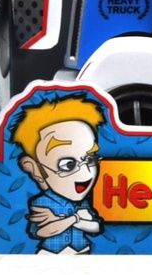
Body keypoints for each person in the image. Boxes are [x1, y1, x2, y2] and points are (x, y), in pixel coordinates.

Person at [11, 95, 106, 254]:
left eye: (90, 159)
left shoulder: (82, 203)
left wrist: (68, 221)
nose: (86, 172)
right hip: (51, 254)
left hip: (84, 252)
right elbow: (43, 231)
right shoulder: (42, 202)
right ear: (36, 169)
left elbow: (96, 227)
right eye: (68, 165)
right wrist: (76, 219)